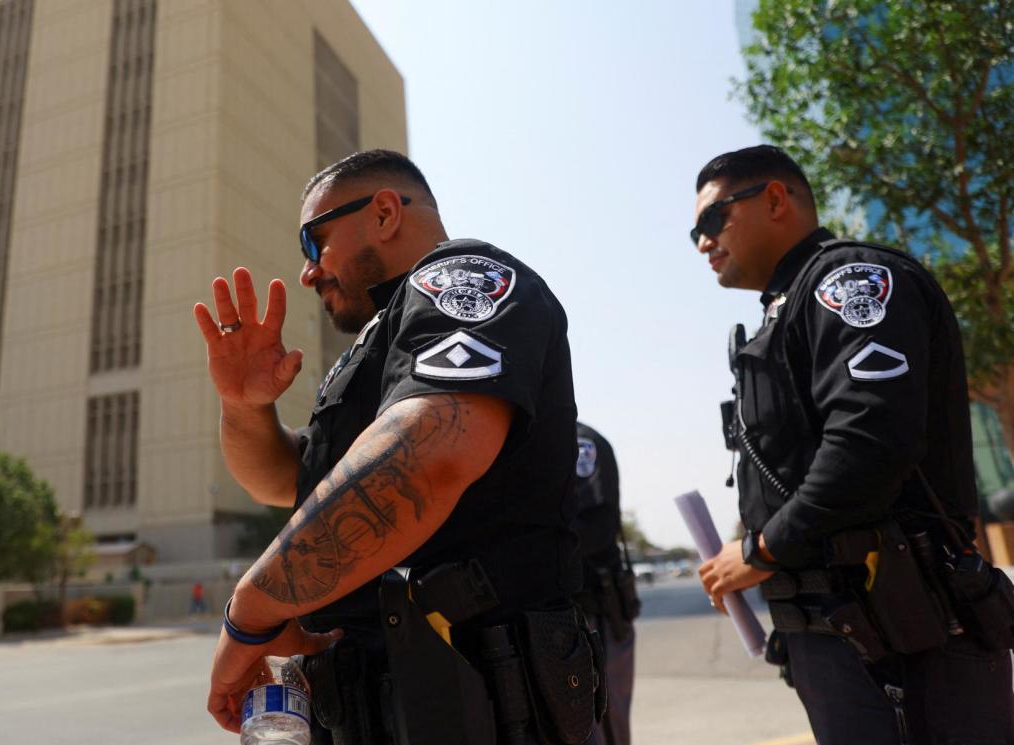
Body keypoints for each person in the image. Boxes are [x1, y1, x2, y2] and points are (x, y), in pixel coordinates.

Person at [195, 149, 599, 743]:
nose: (307, 272)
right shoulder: (378, 344)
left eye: (314, 242)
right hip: (375, 709)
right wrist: (244, 405)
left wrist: (254, 610)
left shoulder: (464, 278)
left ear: (384, 212)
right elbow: (282, 481)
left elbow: (432, 455)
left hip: (475, 705)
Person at [693, 145, 1013, 745]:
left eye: (712, 221)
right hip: (843, 635)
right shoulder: (787, 309)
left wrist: (761, 550)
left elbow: (871, 441)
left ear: (775, 199)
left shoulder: (851, 281)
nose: (704, 244)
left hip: (907, 632)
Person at [572, 423, 638, 745]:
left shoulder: (580, 441)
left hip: (594, 611)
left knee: (604, 725)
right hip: (545, 618)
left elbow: (599, 527)